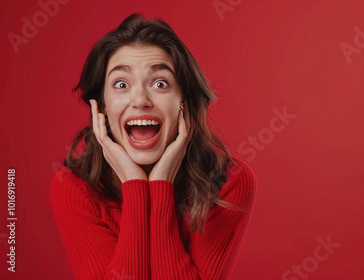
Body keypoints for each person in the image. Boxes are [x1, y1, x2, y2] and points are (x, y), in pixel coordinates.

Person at [49, 13, 256, 280]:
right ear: (100, 106)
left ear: (184, 102)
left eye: (160, 83)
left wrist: (159, 188)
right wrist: (136, 185)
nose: (140, 99)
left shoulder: (228, 183)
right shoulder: (74, 188)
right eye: (121, 84)